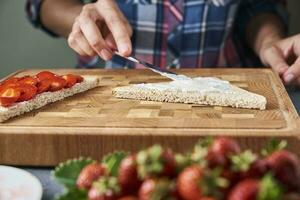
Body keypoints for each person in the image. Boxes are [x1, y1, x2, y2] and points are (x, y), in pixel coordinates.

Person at [26, 0, 300, 85]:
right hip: (105, 93)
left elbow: (261, 4)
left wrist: (269, 41)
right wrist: (80, 18)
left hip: (233, 90)